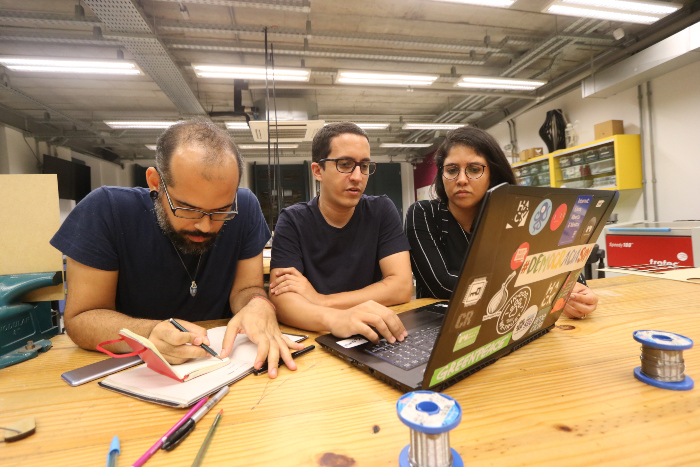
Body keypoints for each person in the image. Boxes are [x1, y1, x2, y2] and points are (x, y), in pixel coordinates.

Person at [51, 118, 302, 378]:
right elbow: (81, 319)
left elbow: (246, 289)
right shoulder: (106, 210)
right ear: (155, 183)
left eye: (221, 211)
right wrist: (147, 335)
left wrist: (258, 303)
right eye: (188, 209)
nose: (205, 226)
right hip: (137, 372)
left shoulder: (245, 208)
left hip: (223, 368)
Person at [404, 126, 598, 319]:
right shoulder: (423, 213)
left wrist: (576, 293)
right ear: (441, 174)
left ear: (493, 175)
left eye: (474, 169)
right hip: (439, 329)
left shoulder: (517, 214)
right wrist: (547, 289)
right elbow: (442, 285)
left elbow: (562, 265)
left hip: (510, 322)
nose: (461, 179)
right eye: (452, 170)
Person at [268, 122, 413, 343]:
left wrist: (321, 300)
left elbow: (402, 287)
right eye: (345, 164)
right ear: (318, 171)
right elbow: (282, 300)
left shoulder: (381, 210)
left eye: (364, 166)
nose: (357, 176)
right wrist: (336, 319)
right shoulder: (292, 220)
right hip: (318, 335)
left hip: (374, 333)